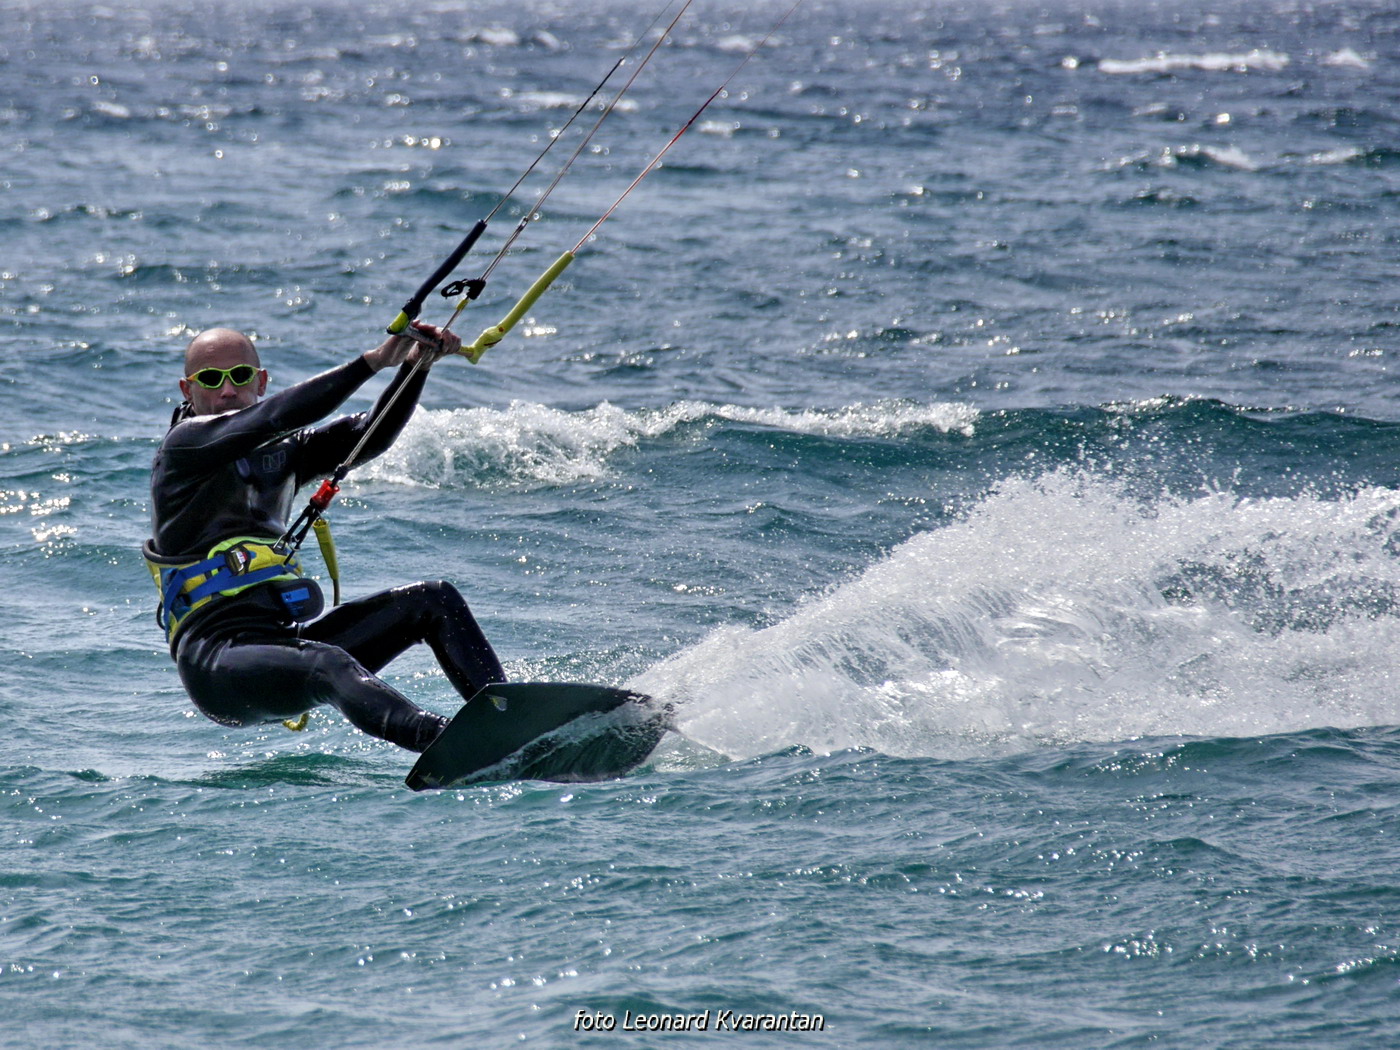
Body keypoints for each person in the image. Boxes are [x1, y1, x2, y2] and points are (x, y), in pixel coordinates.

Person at [143, 325, 506, 752]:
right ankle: (456, 745)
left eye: (240, 376)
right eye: (210, 379)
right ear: (188, 390)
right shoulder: (183, 448)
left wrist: (414, 367)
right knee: (327, 664)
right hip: (218, 663)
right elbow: (275, 416)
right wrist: (373, 362)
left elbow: (370, 434)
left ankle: (509, 720)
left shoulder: (285, 453)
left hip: (281, 647)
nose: (226, 390)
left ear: (260, 382)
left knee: (433, 600)